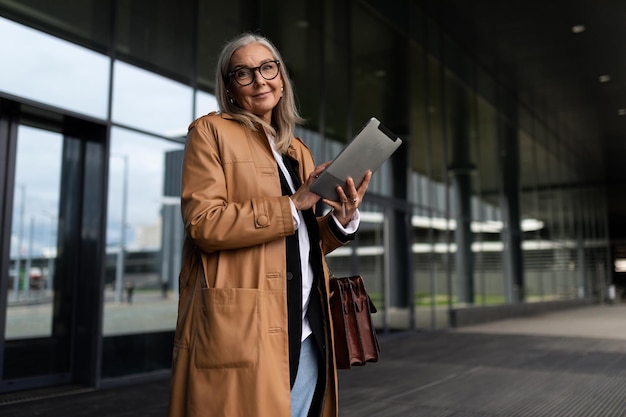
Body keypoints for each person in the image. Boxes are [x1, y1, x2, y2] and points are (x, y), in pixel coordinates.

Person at [167, 32, 371, 417]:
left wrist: (341, 221)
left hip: (308, 329)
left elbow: (297, 241)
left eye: (267, 68)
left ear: (281, 78)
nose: (259, 80)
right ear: (229, 88)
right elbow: (204, 225)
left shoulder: (297, 151)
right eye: (243, 73)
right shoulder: (210, 134)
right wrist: (293, 203)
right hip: (247, 329)